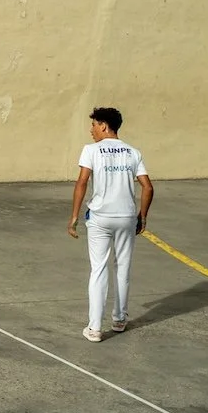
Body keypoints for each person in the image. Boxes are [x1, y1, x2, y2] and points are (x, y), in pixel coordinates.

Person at [68, 107, 153, 342]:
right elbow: (147, 187)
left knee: (99, 269)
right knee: (123, 266)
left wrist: (74, 216)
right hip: (126, 217)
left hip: (100, 218)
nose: (91, 130)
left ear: (104, 125)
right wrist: (142, 216)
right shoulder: (133, 152)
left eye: (94, 125)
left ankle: (94, 328)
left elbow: (82, 181)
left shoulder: (91, 151)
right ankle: (119, 319)